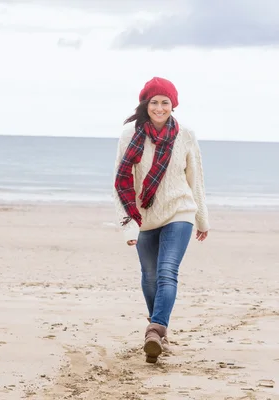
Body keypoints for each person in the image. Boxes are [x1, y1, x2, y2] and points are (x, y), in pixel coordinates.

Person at [112, 77, 210, 363]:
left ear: (173, 105)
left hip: (180, 211)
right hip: (143, 216)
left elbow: (196, 179)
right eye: (154, 102)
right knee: (150, 276)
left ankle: (154, 330)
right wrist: (128, 224)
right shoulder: (130, 134)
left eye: (165, 102)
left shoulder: (186, 135)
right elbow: (121, 180)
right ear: (146, 104)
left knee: (167, 271)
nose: (159, 107)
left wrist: (202, 218)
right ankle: (159, 334)